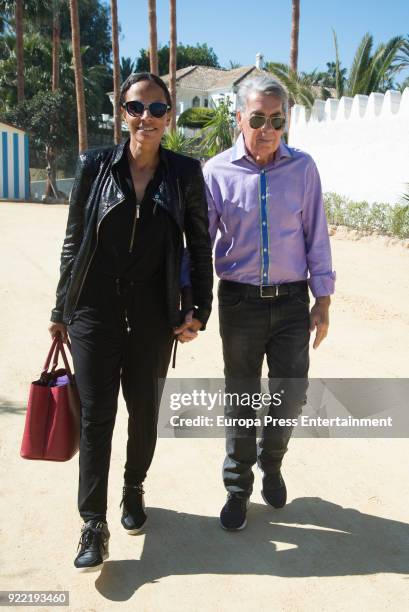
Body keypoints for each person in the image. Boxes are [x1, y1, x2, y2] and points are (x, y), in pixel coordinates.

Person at [48, 72, 213, 570]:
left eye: (158, 108)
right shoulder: (94, 166)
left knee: (143, 413)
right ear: (123, 112)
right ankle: (92, 524)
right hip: (94, 311)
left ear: (170, 115)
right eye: (137, 107)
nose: (147, 117)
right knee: (98, 417)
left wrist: (198, 310)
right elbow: (75, 239)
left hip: (152, 313)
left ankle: (133, 487)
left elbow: (200, 247)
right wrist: (61, 310)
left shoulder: (184, 174)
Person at [203, 75, 335, 531]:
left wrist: (324, 299)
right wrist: (189, 302)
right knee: (241, 397)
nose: (266, 128)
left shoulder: (303, 169)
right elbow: (198, 245)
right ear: (239, 118)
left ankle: (271, 463)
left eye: (276, 120)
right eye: (257, 118)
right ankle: (237, 488)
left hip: (292, 302)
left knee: (290, 394)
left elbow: (316, 234)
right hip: (240, 304)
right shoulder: (216, 172)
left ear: (286, 122)